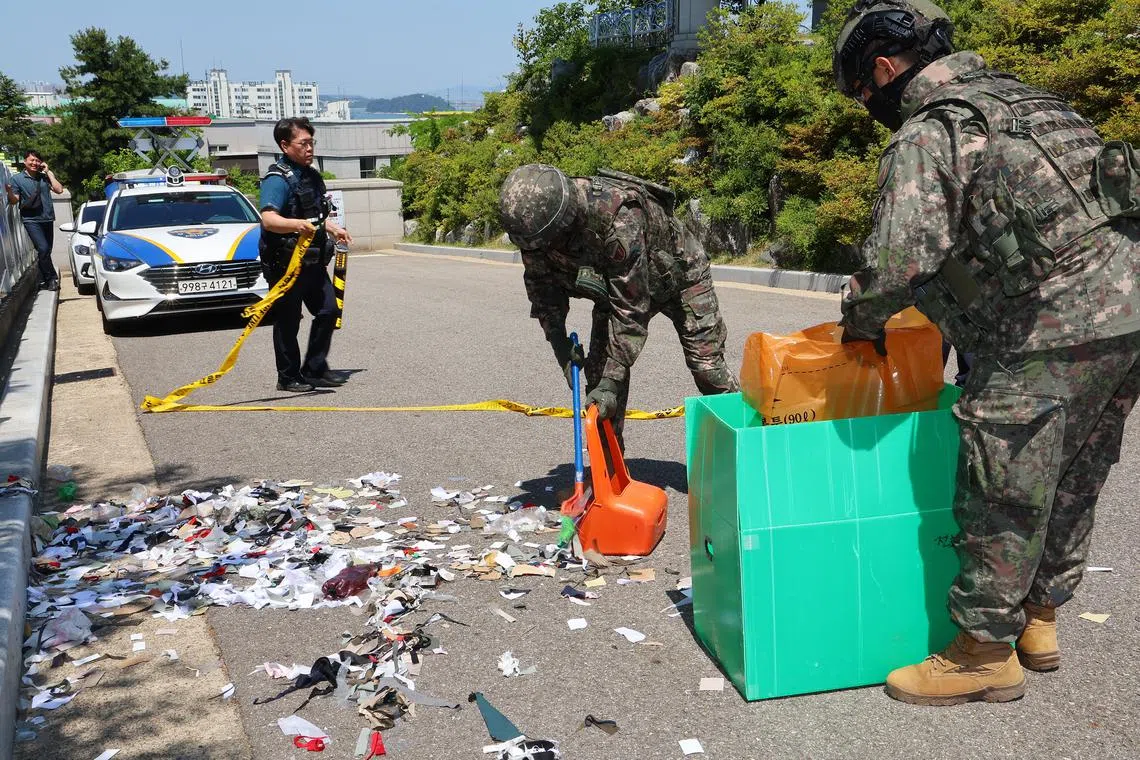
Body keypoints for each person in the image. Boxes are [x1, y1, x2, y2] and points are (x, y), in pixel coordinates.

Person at [833, 0, 1140, 706]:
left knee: (1003, 479)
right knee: (1075, 469)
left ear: (883, 69)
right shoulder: (1032, 101)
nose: (867, 105)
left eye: (861, 93)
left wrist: (861, 323)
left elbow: (895, 261)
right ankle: (1040, 621)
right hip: (1128, 310)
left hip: (1051, 321)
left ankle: (981, 652)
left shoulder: (934, 128)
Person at [498, 164, 738, 443]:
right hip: (614, 291)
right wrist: (560, 346)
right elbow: (542, 289)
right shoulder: (536, 232)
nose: (541, 250)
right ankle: (609, 477)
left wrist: (613, 382)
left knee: (708, 371)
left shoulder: (618, 219)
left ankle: (754, 449)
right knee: (598, 396)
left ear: (565, 222)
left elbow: (631, 310)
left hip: (681, 278)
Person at [259, 117, 352, 393]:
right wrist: (296, 225)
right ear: (285, 145)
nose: (310, 148)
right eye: (304, 143)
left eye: (312, 142)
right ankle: (287, 377)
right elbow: (268, 219)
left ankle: (314, 368)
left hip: (312, 262)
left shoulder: (310, 175)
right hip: (285, 264)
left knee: (328, 310)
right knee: (288, 320)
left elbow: (314, 216)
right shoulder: (277, 180)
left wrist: (332, 228)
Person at [6, 149, 64, 290]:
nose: (34, 163)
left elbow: (59, 190)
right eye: (32, 160)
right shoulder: (17, 179)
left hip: (47, 218)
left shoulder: (44, 177)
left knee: (46, 251)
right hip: (31, 220)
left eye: (37, 160)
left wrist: (48, 172)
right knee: (43, 248)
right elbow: (14, 201)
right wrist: (9, 192)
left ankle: (43, 278)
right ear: (25, 161)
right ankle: (51, 279)